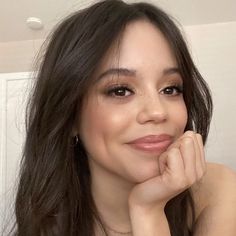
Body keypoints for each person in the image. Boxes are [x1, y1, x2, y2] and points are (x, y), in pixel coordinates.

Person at [7, 0, 236, 235]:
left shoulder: (217, 189)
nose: (157, 112)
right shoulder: (49, 224)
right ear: (71, 117)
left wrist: (149, 211)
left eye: (171, 89)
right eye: (120, 90)